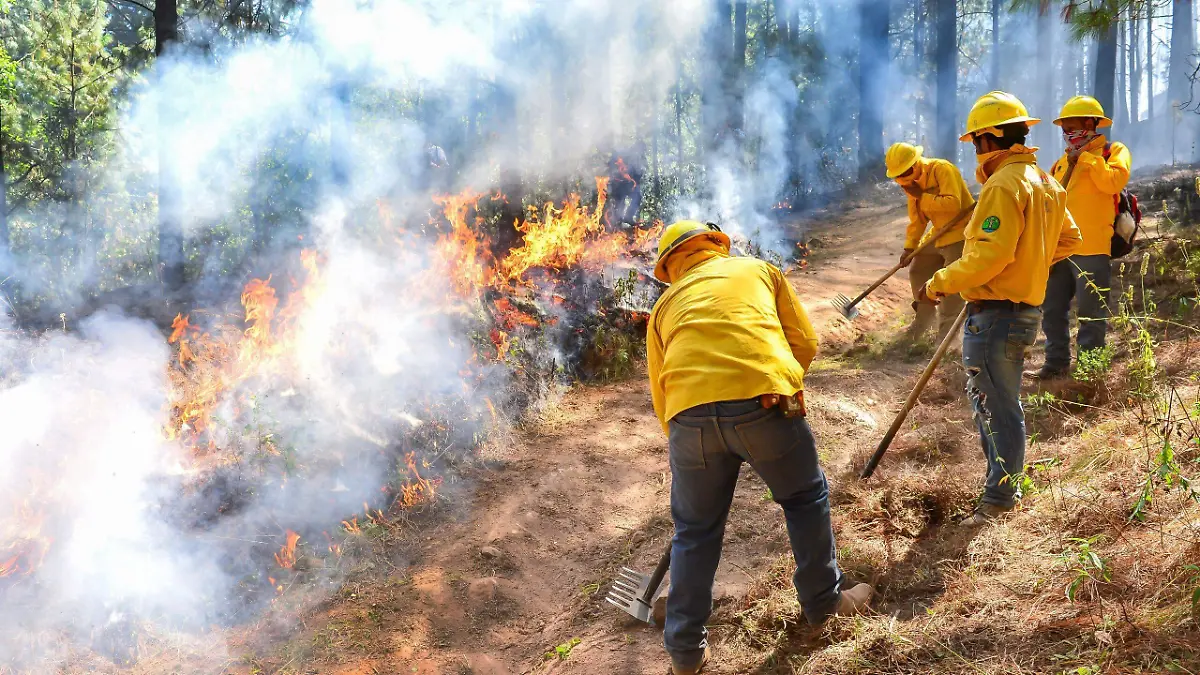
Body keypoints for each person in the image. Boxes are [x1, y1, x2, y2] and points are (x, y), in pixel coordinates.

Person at [646, 220, 874, 674]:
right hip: (764, 402)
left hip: (687, 418)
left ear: (671, 266)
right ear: (716, 246)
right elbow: (804, 341)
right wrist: (782, 382)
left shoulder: (664, 307)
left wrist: (690, 440)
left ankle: (686, 652)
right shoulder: (757, 270)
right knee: (804, 498)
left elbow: (660, 392)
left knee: (694, 530)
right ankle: (824, 604)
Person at [918, 92, 1082, 526]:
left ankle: (999, 501)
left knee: (997, 406)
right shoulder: (1046, 182)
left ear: (991, 139)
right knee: (1000, 402)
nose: (975, 151)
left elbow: (988, 256)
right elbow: (1069, 239)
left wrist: (939, 282)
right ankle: (1004, 489)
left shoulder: (1003, 184)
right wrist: (1029, 260)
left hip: (996, 315)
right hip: (1020, 312)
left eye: (976, 142)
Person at [1036, 96, 1132, 379]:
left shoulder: (1113, 152)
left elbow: (1113, 182)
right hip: (1059, 251)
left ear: (1091, 124)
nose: (1068, 132)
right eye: (1064, 127)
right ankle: (1055, 365)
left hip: (1093, 250)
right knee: (1052, 311)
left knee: (1091, 316)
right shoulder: (1060, 165)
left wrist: (1087, 158)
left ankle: (1090, 372)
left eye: (1073, 125)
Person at [885, 142, 976, 343]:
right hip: (938, 233)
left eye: (906, 172)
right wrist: (910, 246)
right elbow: (917, 220)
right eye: (899, 175)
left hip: (961, 232)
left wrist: (922, 196)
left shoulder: (941, 169)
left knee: (952, 284)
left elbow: (953, 205)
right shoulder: (910, 184)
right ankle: (923, 325)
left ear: (916, 163)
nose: (903, 178)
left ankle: (947, 339)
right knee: (918, 269)